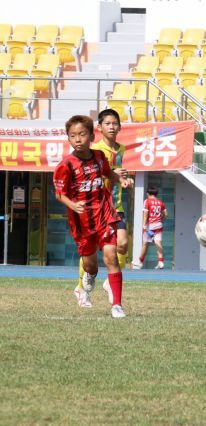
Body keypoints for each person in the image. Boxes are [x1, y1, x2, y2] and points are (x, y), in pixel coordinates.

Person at [53, 115, 130, 318]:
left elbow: (108, 173)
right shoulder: (66, 165)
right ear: (68, 139)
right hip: (82, 222)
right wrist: (72, 204)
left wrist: (120, 180)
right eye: (73, 136)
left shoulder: (98, 157)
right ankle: (88, 278)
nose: (77, 139)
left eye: (82, 134)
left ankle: (117, 306)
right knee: (91, 264)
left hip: (104, 214)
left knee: (111, 256)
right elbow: (59, 193)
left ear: (91, 135)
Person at [74, 109, 133, 307]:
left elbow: (116, 175)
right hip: (97, 209)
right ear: (99, 127)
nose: (112, 127)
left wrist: (125, 180)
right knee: (90, 253)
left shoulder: (121, 149)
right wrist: (114, 174)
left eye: (115, 123)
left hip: (116, 206)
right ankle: (80, 288)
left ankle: (110, 282)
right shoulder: (95, 150)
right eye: (107, 123)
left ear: (120, 127)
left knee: (123, 243)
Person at [131, 186, 168, 270]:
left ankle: (140, 263)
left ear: (148, 193)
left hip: (149, 226)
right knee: (158, 243)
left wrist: (144, 225)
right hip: (158, 225)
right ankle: (161, 262)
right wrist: (161, 220)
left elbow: (146, 214)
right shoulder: (160, 202)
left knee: (145, 244)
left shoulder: (147, 201)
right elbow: (166, 214)